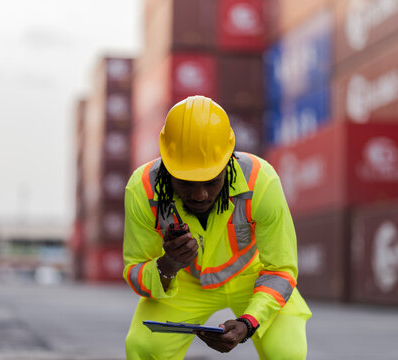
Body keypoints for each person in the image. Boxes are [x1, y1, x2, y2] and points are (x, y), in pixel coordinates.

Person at [123, 95, 312, 359]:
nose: (200, 195)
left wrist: (248, 322)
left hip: (251, 277)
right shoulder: (142, 189)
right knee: (143, 348)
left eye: (211, 181)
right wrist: (168, 266)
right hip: (185, 280)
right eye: (186, 181)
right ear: (166, 163)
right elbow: (134, 270)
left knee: (286, 352)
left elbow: (281, 269)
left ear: (228, 160)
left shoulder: (261, 180)